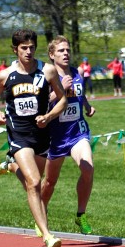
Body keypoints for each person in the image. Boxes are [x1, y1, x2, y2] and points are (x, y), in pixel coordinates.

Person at [0, 29, 68, 247]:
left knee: (36, 183)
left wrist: (49, 116)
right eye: (24, 48)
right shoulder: (6, 75)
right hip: (18, 133)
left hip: (41, 133)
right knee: (33, 183)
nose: (29, 51)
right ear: (15, 49)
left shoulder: (47, 70)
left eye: (32, 47)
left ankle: (12, 166)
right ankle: (47, 235)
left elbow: (63, 100)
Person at [40, 36, 97, 235]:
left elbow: (80, 94)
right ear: (51, 54)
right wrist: (60, 90)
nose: (65, 54)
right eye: (61, 51)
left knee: (88, 169)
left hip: (77, 132)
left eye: (67, 50)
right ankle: (41, 212)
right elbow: (41, 104)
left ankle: (80, 214)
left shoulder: (77, 72)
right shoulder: (47, 76)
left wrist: (87, 106)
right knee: (49, 182)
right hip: (55, 136)